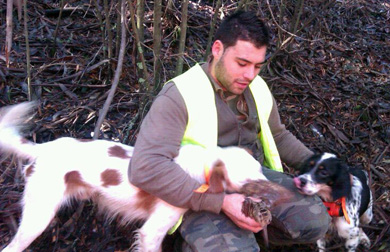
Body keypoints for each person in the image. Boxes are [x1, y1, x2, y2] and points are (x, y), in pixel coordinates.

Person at [128, 10, 330, 251]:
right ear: (217, 49)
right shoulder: (179, 95)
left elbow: (277, 135)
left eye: (257, 66)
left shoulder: (257, 87)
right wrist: (221, 202)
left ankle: (240, 232)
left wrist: (322, 166)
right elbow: (145, 166)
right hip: (196, 189)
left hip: (248, 177)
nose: (250, 75)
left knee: (315, 220)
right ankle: (197, 241)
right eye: (242, 63)